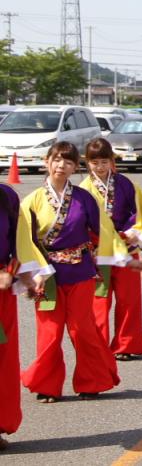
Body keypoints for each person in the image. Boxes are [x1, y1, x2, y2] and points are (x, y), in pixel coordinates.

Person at [17, 142, 121, 402]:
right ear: (47, 162)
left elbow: (102, 231)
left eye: (68, 162)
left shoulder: (84, 198)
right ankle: (47, 385)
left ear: (76, 167)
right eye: (56, 160)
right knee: (49, 333)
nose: (61, 165)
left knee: (82, 329)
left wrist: (111, 255)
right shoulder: (32, 201)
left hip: (80, 273)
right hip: (47, 276)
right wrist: (34, 273)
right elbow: (24, 241)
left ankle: (92, 381)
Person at [81, 137, 142, 361]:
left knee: (129, 299)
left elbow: (138, 212)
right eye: (95, 163)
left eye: (104, 162)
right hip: (98, 252)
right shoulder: (83, 189)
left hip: (126, 248)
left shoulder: (126, 184)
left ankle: (126, 344)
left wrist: (132, 232)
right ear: (87, 162)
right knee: (99, 301)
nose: (100, 167)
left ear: (112, 161)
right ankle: (98, 345)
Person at [1, 183, 29, 449]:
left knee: (3, 359)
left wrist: (12, 271)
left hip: (2, 292)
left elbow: (20, 245)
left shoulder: (7, 196)